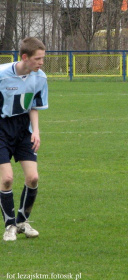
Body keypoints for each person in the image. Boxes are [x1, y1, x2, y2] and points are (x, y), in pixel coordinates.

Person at [0, 37, 49, 241]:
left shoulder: (40, 78)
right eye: (38, 59)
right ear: (24, 57)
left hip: (23, 130)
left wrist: (35, 131)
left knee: (33, 178)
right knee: (7, 178)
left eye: (43, 58)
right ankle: (9, 225)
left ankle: (22, 221)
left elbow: (34, 107)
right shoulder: (2, 75)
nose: (41, 63)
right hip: (2, 129)